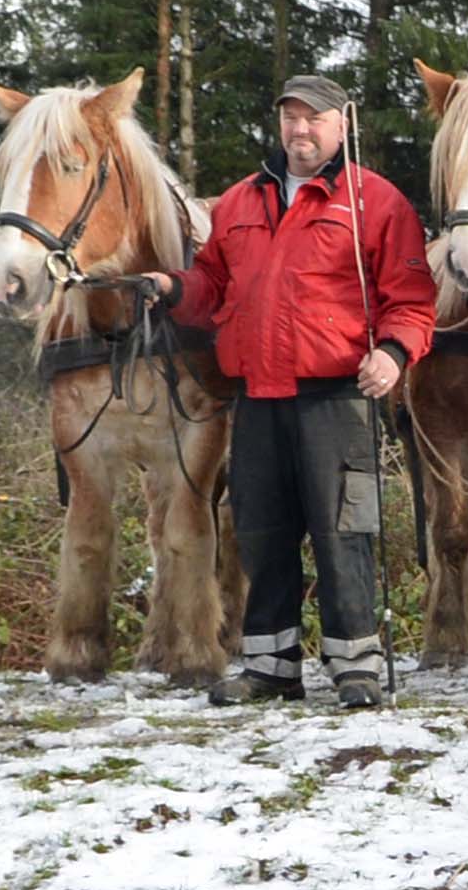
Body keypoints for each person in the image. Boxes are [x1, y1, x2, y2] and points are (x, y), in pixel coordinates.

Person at [152, 72, 435, 710]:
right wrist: (169, 289)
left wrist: (393, 354)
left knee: (343, 531)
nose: (300, 130)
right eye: (291, 117)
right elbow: (210, 286)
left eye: (314, 118)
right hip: (258, 396)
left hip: (336, 394)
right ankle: (270, 666)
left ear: (342, 124)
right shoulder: (238, 203)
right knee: (262, 532)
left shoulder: (377, 202)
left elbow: (413, 300)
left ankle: (355, 665)